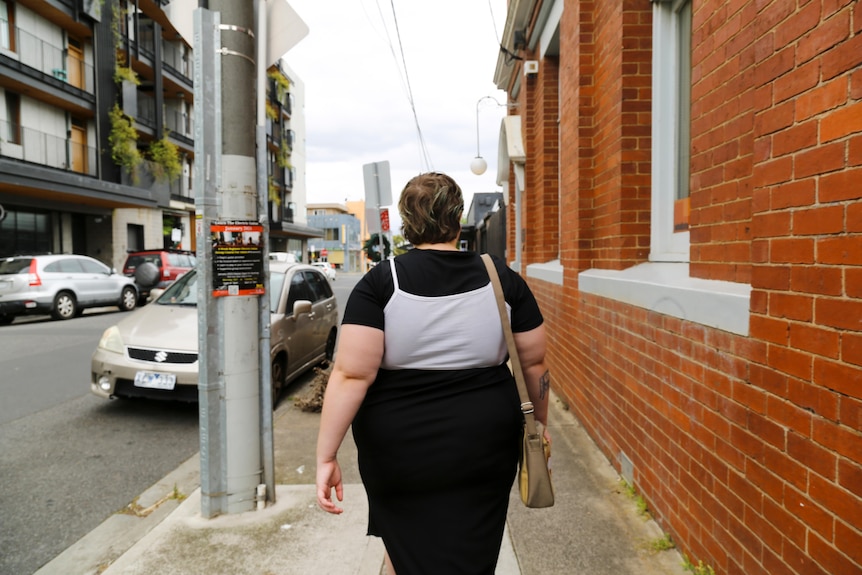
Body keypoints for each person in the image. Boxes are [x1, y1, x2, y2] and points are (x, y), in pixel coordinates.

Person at [316, 172, 550, 575]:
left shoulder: (381, 283)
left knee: (406, 542)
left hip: (399, 450)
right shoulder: (501, 277)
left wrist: (326, 455)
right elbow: (533, 363)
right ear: (458, 219)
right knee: (469, 545)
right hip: (484, 444)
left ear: (407, 224)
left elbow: (351, 376)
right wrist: (539, 425)